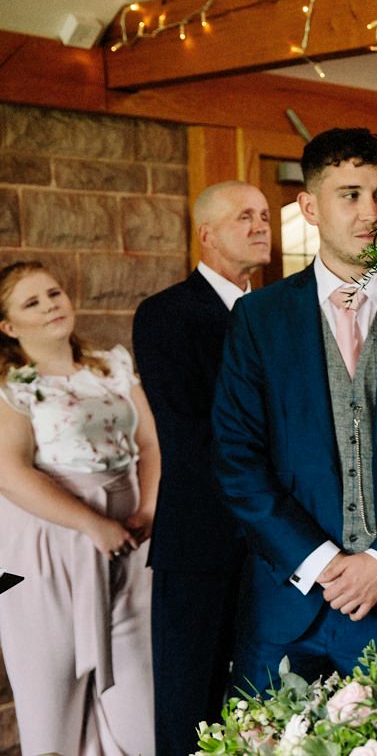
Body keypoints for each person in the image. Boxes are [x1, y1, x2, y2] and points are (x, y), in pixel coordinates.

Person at [211, 128, 377, 692]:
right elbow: (237, 457)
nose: (371, 213)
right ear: (308, 206)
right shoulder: (259, 319)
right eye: (350, 195)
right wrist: (317, 563)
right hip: (287, 605)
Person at [132, 180, 271, 755]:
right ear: (206, 234)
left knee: (263, 701)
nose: (261, 225)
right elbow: (188, 436)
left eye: (265, 214)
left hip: (276, 542)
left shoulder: (277, 312)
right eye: (246, 216)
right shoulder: (166, 314)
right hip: (202, 537)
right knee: (191, 704)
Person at [0, 262, 159, 755]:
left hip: (131, 545)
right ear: (8, 327)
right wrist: (93, 524)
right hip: (45, 549)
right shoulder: (13, 385)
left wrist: (149, 509)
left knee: (142, 708)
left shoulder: (111, 364)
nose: (51, 305)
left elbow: (151, 443)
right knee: (52, 707)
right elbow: (8, 471)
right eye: (32, 302)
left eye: (54, 293)